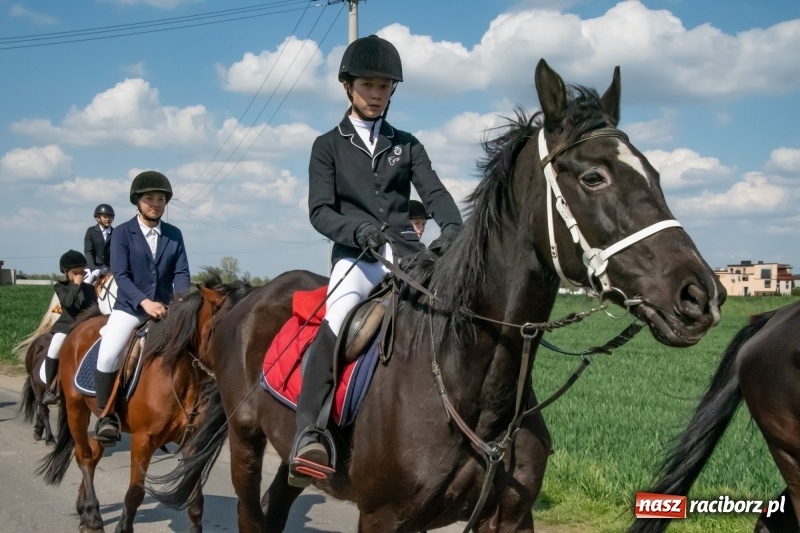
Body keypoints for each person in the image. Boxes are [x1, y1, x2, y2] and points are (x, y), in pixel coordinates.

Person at [290, 34, 463, 486]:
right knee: (339, 319)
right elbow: (320, 211)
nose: (376, 93)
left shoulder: (407, 144)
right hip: (357, 256)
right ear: (348, 87)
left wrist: (455, 229)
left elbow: (435, 193)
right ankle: (309, 433)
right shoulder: (326, 145)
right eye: (368, 84)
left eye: (385, 86)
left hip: (408, 254)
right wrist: (357, 231)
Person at [93, 170, 190, 445]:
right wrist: (143, 302)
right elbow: (121, 275)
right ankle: (107, 415)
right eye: (149, 198)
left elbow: (181, 272)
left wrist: (181, 304)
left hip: (165, 309)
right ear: (138, 200)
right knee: (109, 353)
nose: (156, 203)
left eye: (160, 199)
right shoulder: (123, 233)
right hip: (130, 308)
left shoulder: (174, 234)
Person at [41, 250, 99, 406]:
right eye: (76, 272)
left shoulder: (90, 289)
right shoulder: (60, 287)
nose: (81, 275)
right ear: (67, 273)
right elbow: (67, 303)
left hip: (85, 327)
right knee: (54, 347)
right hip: (67, 326)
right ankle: (49, 390)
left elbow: (94, 308)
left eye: (82, 272)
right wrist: (76, 284)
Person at [83, 204, 115, 284]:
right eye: (105, 217)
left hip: (110, 269)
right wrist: (93, 268)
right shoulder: (91, 231)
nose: (107, 219)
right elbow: (88, 252)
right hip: (93, 268)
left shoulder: (116, 233)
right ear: (98, 218)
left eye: (110, 217)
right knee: (86, 284)